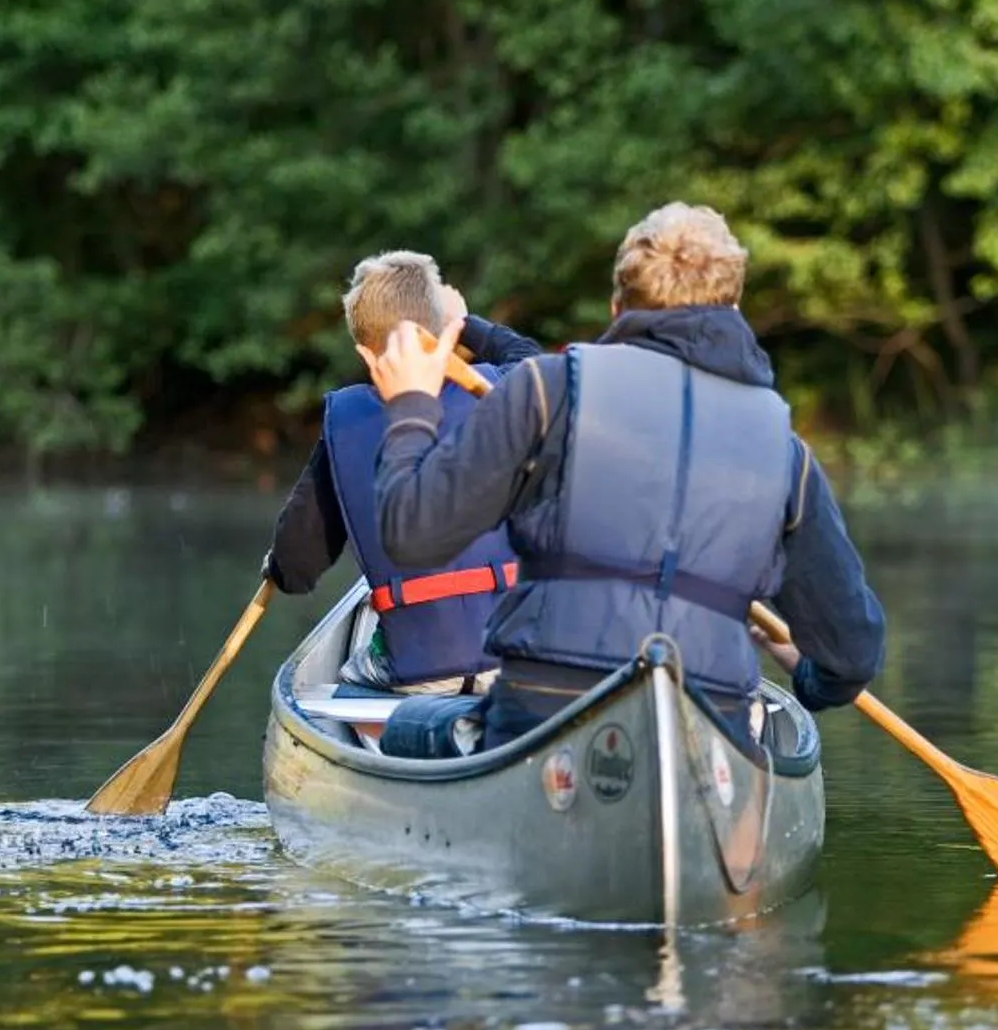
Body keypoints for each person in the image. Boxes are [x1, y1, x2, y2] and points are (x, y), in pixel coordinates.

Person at [359, 203, 886, 757]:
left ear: (617, 307)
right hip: (707, 719)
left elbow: (411, 535)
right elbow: (851, 658)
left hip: (544, 711)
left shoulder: (545, 392)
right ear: (734, 307)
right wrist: (812, 680)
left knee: (406, 728)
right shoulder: (784, 450)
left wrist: (412, 405)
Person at [260, 251, 531, 696]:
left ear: (365, 353)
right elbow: (527, 354)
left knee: (350, 674)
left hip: (419, 672)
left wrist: (276, 566)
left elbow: (298, 569)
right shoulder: (504, 386)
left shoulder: (344, 425)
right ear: (445, 333)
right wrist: (468, 322)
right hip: (515, 660)